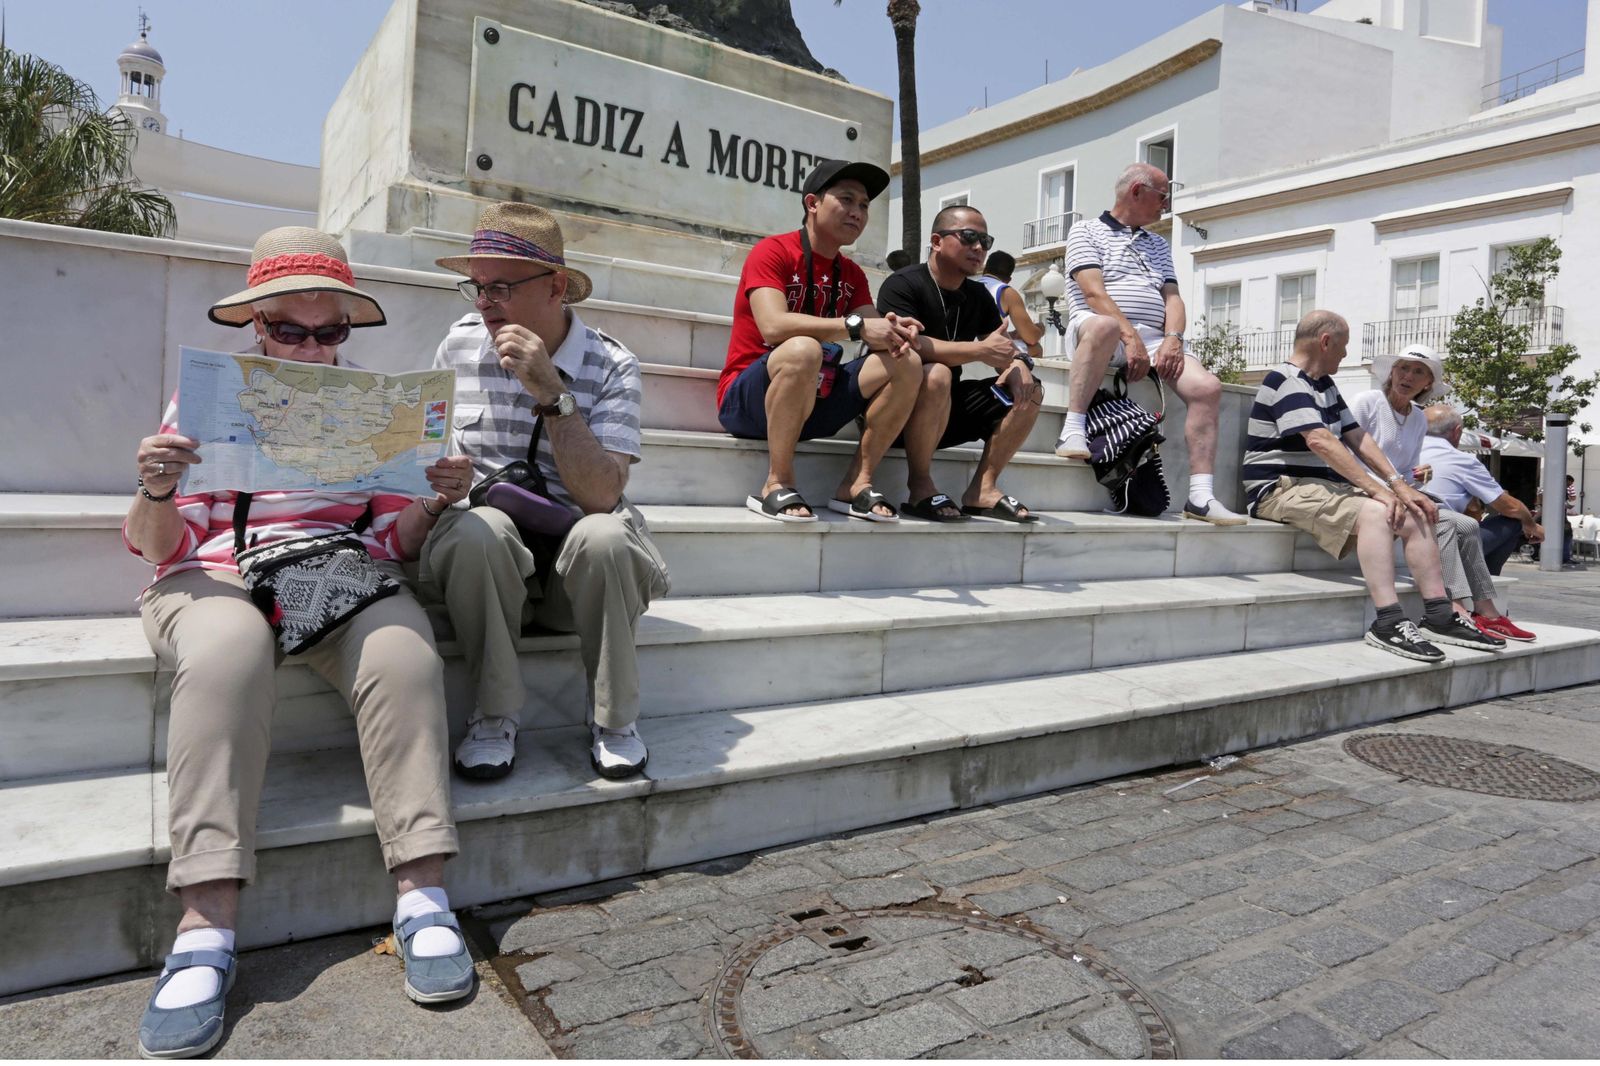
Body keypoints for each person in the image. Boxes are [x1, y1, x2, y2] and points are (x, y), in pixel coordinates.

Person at [124, 228, 476, 1057]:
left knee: (403, 648)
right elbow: (157, 546)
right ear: (258, 328)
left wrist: (437, 498)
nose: (312, 347)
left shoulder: (376, 405)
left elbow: (396, 543)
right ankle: (205, 924)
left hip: (333, 575)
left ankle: (424, 893)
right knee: (229, 654)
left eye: (330, 332)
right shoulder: (207, 397)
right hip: (215, 571)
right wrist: (156, 485)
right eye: (291, 330)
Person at [424, 203, 672, 782]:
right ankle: (493, 715)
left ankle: (614, 719)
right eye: (476, 287)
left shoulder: (612, 364)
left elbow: (602, 496)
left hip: (572, 574)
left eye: (502, 287)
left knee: (607, 535)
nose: (484, 302)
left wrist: (552, 392)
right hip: (486, 566)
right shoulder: (458, 345)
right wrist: (443, 478)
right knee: (476, 527)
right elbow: (423, 449)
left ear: (556, 286)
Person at [1243, 311, 1504, 662]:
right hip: (1279, 488)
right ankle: (1388, 621)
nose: (1345, 355)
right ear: (1325, 342)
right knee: (1378, 512)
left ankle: (1440, 614)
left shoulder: (1324, 385)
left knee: (1416, 511)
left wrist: (1399, 486)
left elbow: (1357, 437)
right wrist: (1383, 491)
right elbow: (1320, 441)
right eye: (1344, 346)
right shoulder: (1286, 379)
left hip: (1318, 486)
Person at [717, 159, 925, 522]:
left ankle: (856, 483)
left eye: (863, 205)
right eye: (846, 199)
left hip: (814, 400)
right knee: (802, 347)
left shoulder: (852, 273)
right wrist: (857, 326)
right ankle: (777, 481)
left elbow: (873, 331)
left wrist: (893, 329)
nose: (857, 212)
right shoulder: (773, 251)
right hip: (749, 401)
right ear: (812, 203)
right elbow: (773, 326)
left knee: (906, 361)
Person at [1054, 162, 1245, 526]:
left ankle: (1201, 496)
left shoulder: (1157, 243)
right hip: (1098, 327)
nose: (1166, 204)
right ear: (1137, 192)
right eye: (1162, 195)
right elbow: (1093, 292)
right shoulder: (1085, 231)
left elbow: (1172, 298)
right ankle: (1072, 429)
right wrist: (1131, 337)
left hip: (1156, 337)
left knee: (1207, 387)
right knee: (1106, 325)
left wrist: (1173, 339)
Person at [876, 206, 1043, 522]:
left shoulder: (978, 295)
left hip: (941, 411)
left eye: (985, 240)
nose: (978, 248)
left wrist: (1019, 363)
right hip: (893, 409)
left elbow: (1002, 349)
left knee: (1030, 390)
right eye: (968, 237)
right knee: (936, 374)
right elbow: (909, 344)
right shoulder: (903, 284)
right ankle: (920, 484)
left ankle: (983, 488)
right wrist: (979, 350)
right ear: (937, 241)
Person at [1347, 345, 1515, 643]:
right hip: (1362, 488)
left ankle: (1485, 609)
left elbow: (1408, 471)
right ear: (1392, 371)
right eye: (1403, 367)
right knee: (1444, 520)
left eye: (1418, 372)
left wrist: (1421, 478)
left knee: (1468, 524)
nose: (1408, 376)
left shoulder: (1417, 418)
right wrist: (1393, 488)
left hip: (1396, 492)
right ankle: (1450, 608)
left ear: (1428, 383)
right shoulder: (1367, 402)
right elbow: (1348, 454)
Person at [1422, 406, 1546, 590]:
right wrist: (1531, 524)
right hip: (1439, 545)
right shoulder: (1462, 460)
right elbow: (1509, 507)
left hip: (1402, 539)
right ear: (1457, 432)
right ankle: (1485, 587)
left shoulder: (1402, 452)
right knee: (1513, 523)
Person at [978, 250, 1045, 360]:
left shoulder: (972, 285)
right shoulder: (1006, 292)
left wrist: (1013, 334)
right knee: (1036, 348)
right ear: (1009, 280)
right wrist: (1039, 330)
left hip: (965, 345)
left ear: (985, 270)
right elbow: (1031, 337)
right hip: (988, 351)